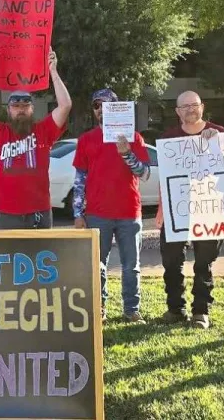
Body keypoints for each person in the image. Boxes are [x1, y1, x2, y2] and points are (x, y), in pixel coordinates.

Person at [0, 48, 73, 229]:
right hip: (5, 214)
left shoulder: (44, 130)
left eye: (25, 105)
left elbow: (65, 106)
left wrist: (53, 71)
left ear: (32, 109)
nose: (21, 109)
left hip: (39, 213)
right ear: (8, 110)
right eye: (16, 106)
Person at [72, 88, 151, 323]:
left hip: (129, 212)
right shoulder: (86, 140)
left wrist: (127, 154)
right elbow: (79, 179)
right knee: (97, 265)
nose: (100, 110)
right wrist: (77, 213)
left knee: (131, 266)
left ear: (117, 107)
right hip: (97, 214)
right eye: (96, 106)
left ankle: (131, 310)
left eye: (106, 105)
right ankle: (99, 308)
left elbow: (145, 174)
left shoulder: (134, 138)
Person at [156, 91, 224, 329]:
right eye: (184, 106)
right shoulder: (169, 139)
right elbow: (165, 178)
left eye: (194, 105)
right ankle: (176, 308)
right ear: (177, 111)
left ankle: (200, 311)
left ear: (202, 107)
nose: (190, 109)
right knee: (171, 261)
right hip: (176, 211)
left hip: (209, 210)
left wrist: (217, 144)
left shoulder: (219, 133)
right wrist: (161, 208)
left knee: (203, 264)